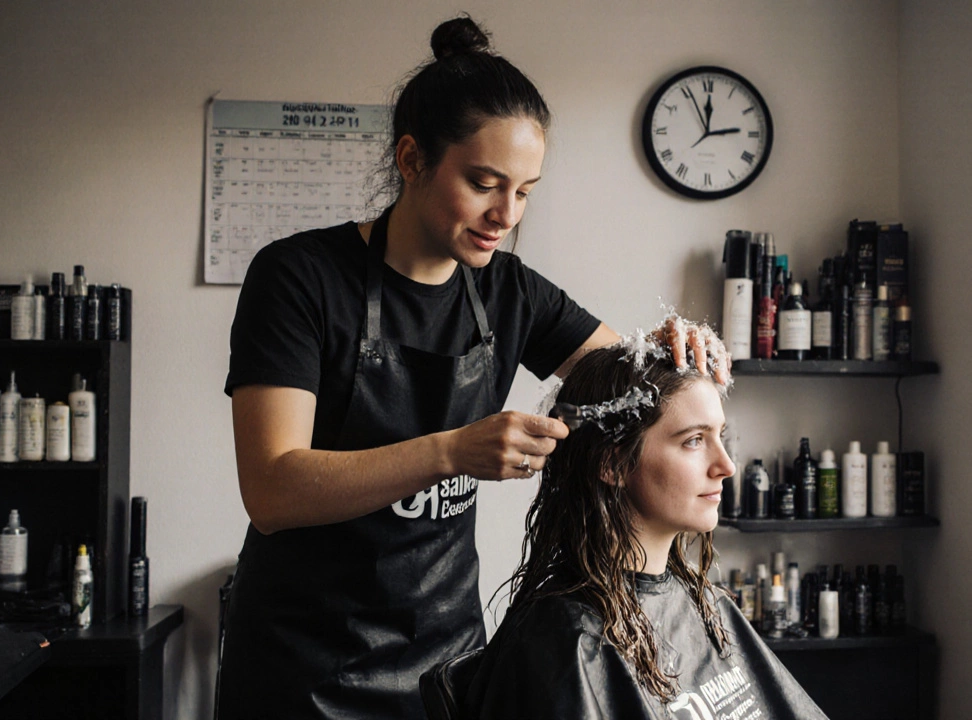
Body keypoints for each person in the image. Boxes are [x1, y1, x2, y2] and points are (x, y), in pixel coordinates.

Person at [218, 15, 726, 719]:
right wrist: (453, 450)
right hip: (301, 665)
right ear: (411, 159)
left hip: (448, 655)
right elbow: (273, 490)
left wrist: (678, 351)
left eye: (524, 191)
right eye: (485, 183)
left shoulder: (508, 291)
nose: (504, 214)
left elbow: (628, 382)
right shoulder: (301, 278)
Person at [464, 341, 828, 719]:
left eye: (720, 435)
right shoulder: (567, 641)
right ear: (614, 464)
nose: (726, 466)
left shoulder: (706, 605)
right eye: (694, 441)